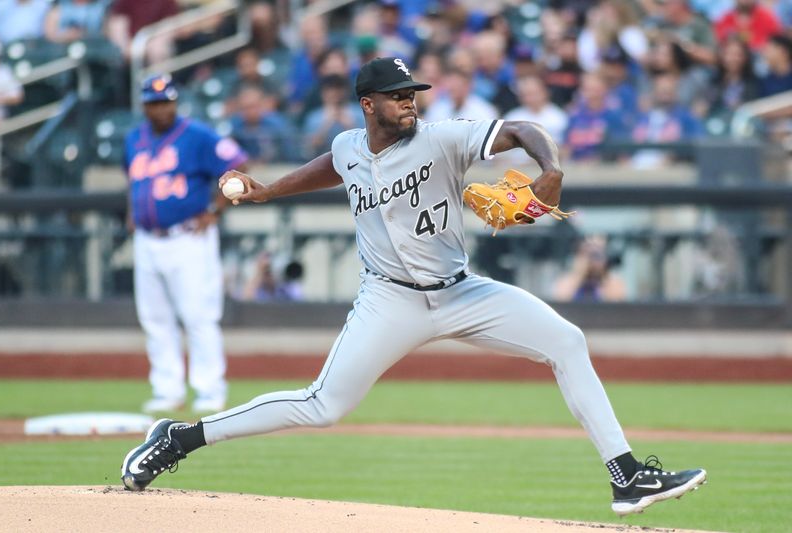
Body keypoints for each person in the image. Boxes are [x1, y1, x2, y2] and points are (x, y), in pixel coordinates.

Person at [120, 57, 706, 517]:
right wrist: (270, 190)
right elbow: (335, 163)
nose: (410, 103)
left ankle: (627, 475)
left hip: (461, 292)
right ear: (368, 103)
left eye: (413, 94)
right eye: (399, 96)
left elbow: (525, 128)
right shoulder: (352, 144)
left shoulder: (442, 137)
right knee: (323, 405)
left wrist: (550, 171)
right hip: (389, 299)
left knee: (568, 341)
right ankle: (181, 436)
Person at [124, 73, 248, 414]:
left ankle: (210, 390)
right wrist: (132, 211)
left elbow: (237, 163)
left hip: (188, 237)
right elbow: (134, 181)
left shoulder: (196, 135)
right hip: (148, 240)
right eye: (153, 103)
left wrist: (214, 209)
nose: (160, 108)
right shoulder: (134, 138)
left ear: (175, 103)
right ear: (145, 105)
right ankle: (167, 389)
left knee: (197, 315)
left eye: (165, 102)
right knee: (154, 318)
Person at [553, 236, 627, 302]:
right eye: (588, 253)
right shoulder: (567, 280)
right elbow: (561, 301)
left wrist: (604, 275)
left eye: (597, 254)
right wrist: (579, 273)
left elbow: (614, 305)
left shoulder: (614, 282)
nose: (592, 259)